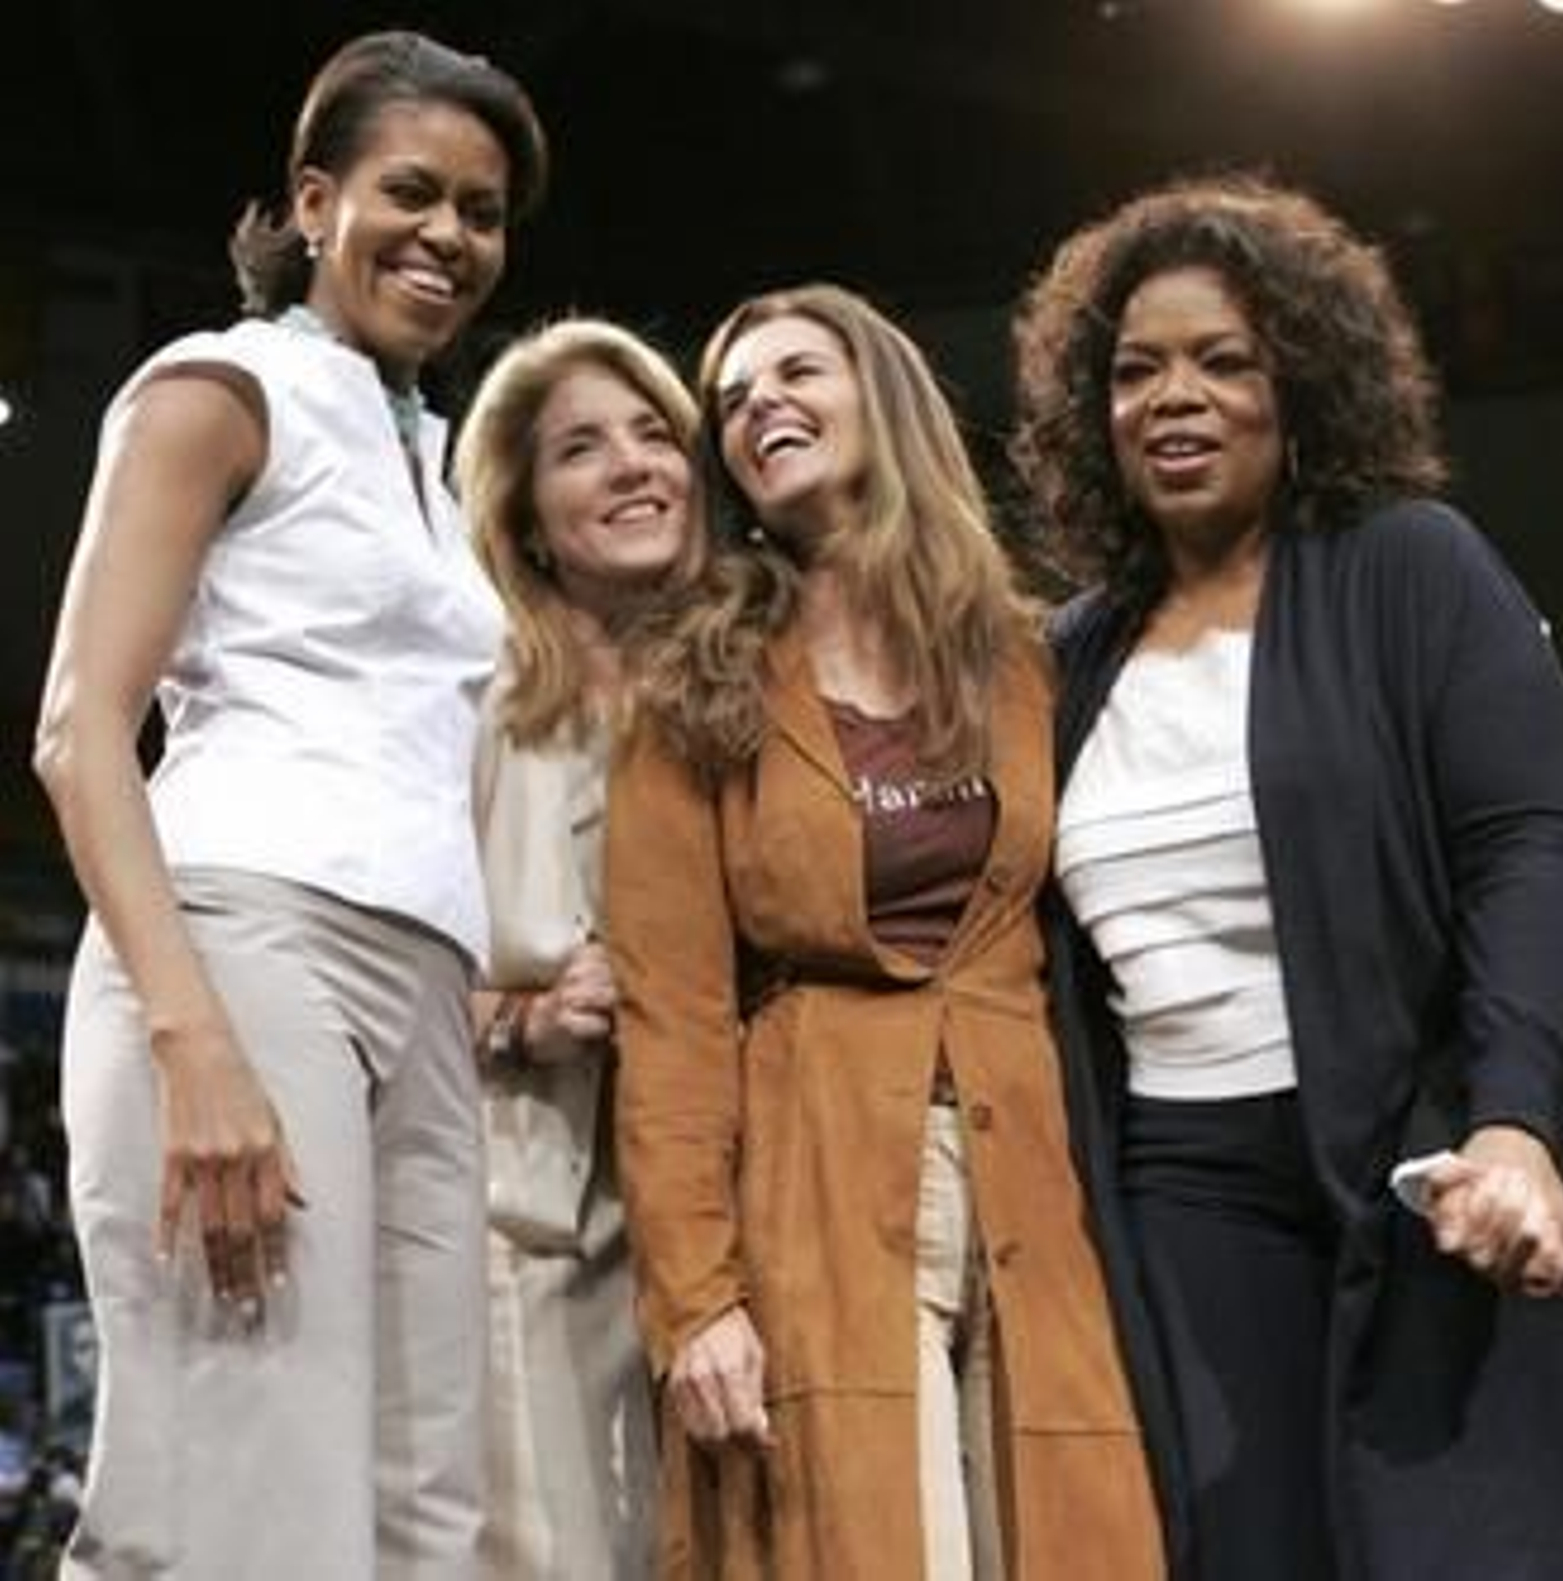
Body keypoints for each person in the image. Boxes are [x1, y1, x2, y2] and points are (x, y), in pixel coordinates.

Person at [1012, 174, 1563, 1580]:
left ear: (1304, 381)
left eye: (1225, 359)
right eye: (1137, 370)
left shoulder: (1412, 565)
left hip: (1414, 1150)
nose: (1175, 397)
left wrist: (1515, 1123)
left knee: (1460, 1542)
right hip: (1183, 1188)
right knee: (1243, 1543)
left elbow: (1520, 846)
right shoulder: (1073, 652)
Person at [32, 31, 546, 1578]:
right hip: (247, 948)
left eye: (483, 209)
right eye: (412, 191)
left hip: (423, 990)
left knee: (423, 1513)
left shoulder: (431, 458)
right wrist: (194, 1038)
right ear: (315, 202)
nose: (450, 235)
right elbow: (78, 732)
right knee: (245, 1500)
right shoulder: (218, 390)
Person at [604, 283, 1167, 1579]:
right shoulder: (698, 678)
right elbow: (672, 1016)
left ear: (886, 400)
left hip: (1031, 1163)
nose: (761, 408)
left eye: (799, 371)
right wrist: (697, 1300)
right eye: (735, 400)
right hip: (821, 1171)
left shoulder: (1027, 658)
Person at [454, 317, 704, 1577]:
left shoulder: (724, 696)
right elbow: (357, 976)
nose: (631, 466)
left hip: (691, 1227)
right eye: (580, 449)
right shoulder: (472, 688)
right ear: (527, 512)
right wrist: (523, 1017)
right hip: (515, 1219)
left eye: (656, 435)